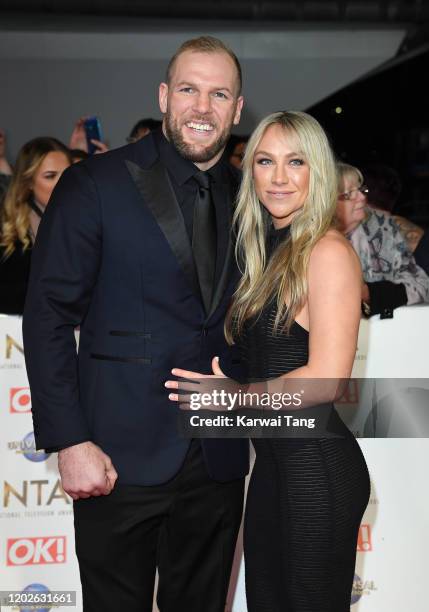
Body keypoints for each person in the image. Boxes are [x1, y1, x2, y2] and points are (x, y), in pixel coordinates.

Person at [23, 36, 248, 612]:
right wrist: (70, 441)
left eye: (219, 93)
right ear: (165, 96)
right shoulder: (95, 183)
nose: (203, 107)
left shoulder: (250, 196)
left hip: (216, 458)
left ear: (237, 109)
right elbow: (48, 315)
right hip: (115, 455)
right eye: (190, 90)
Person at [167, 111, 371, 611]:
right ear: (249, 170)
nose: (279, 178)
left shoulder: (326, 252)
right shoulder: (265, 251)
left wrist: (237, 398)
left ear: (317, 171)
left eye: (295, 162)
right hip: (274, 471)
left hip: (318, 470)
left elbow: (325, 380)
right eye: (265, 161)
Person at [336, 162, 429, 317]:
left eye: (360, 189)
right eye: (349, 194)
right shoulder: (306, 239)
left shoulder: (380, 227)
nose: (362, 197)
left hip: (380, 332)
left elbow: (422, 284)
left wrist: (370, 294)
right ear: (325, 202)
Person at [0, 136, 71, 314]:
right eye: (50, 176)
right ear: (29, 182)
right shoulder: (8, 229)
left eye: (68, 175)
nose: (62, 184)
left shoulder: (87, 222)